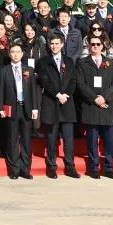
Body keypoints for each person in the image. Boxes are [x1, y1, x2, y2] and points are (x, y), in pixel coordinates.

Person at [77, 36, 113, 179]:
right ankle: (94, 168)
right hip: (91, 105)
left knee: (109, 141)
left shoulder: (111, 63)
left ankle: (109, 168)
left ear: (103, 46)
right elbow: (81, 84)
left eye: (98, 44)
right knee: (92, 140)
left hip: (107, 106)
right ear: (88, 46)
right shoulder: (82, 62)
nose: (95, 46)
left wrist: (104, 97)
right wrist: (95, 98)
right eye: (92, 44)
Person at [38, 34, 79, 179]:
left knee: (68, 139)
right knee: (51, 138)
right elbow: (44, 81)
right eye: (52, 44)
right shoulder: (43, 61)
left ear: (62, 45)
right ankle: (51, 166)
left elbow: (73, 80)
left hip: (67, 103)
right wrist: (57, 94)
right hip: (51, 102)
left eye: (57, 43)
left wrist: (66, 94)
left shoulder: (69, 61)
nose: (54, 46)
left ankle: (70, 166)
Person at [0, 42, 38, 179]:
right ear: (9, 54)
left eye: (18, 52)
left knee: (26, 140)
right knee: (12, 140)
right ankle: (14, 170)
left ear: (22, 54)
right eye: (13, 52)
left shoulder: (29, 70)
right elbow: (1, 90)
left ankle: (25, 170)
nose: (15, 54)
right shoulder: (4, 70)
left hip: (26, 108)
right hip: (11, 108)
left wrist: (35, 108)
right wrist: (0, 108)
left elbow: (33, 90)